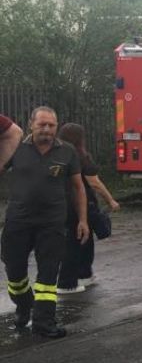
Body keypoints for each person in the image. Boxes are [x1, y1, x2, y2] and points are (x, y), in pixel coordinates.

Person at [1, 106, 87, 338]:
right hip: (18, 220)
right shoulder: (16, 147)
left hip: (52, 222)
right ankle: (24, 304)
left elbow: (79, 187)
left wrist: (83, 220)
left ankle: (44, 321)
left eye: (51, 125)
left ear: (56, 127)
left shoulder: (67, 151)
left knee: (48, 275)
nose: (47, 129)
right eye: (42, 125)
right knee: (14, 270)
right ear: (31, 124)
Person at [57, 123, 120, 295]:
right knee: (75, 241)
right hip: (80, 204)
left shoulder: (57, 154)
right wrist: (111, 200)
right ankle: (67, 282)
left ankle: (84, 273)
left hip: (62, 203)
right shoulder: (81, 157)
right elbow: (94, 182)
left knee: (83, 239)